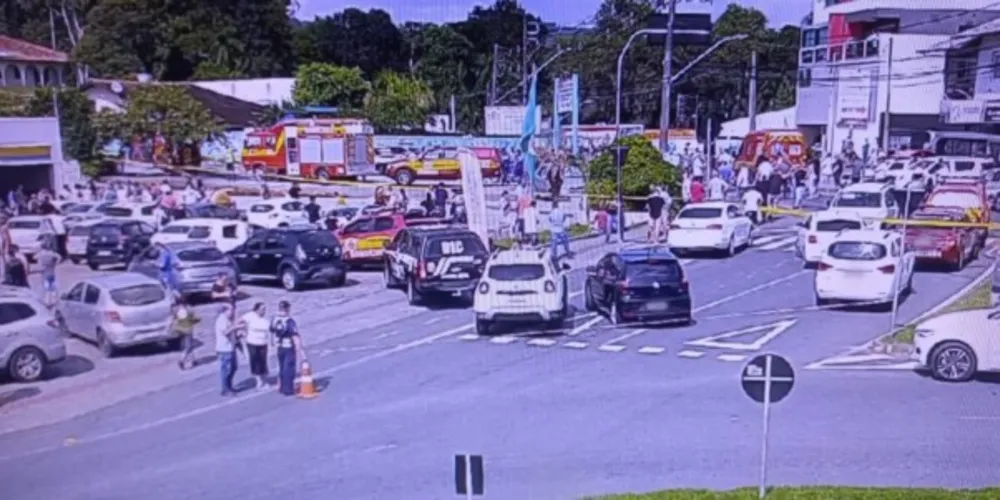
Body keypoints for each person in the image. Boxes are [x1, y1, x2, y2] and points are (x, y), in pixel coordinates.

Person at [270, 300, 305, 396]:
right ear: (287, 309)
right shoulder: (289, 321)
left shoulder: (275, 319)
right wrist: (299, 349)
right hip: (288, 346)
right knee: (288, 368)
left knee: (281, 367)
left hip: (279, 346)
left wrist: (273, 343)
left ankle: (281, 387)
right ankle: (288, 389)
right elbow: (294, 335)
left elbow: (272, 331)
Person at [241, 302, 272, 390]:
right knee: (255, 362)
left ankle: (264, 380)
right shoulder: (250, 316)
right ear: (257, 309)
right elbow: (240, 322)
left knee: (263, 362)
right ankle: (258, 381)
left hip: (263, 343)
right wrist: (242, 331)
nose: (264, 311)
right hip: (252, 343)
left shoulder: (265, 321)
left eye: (264, 310)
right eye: (262, 309)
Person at [215, 304, 242, 396]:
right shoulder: (221, 320)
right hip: (224, 349)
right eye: (231, 310)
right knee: (226, 369)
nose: (233, 312)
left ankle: (229, 385)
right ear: (225, 311)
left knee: (234, 367)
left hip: (231, 347)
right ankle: (225, 388)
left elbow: (232, 333)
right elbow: (226, 332)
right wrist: (236, 327)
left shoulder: (228, 320)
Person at [173, 296, 200, 370]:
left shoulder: (176, 310)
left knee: (189, 345)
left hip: (181, 330)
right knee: (188, 346)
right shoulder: (188, 310)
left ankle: (193, 360)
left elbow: (175, 318)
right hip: (188, 329)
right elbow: (192, 319)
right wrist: (196, 320)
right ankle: (182, 360)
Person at [37, 242, 60, 307]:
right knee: (52, 287)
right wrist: (55, 263)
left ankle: (47, 301)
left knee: (45, 287)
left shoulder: (41, 254)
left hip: (44, 272)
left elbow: (34, 258)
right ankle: (53, 301)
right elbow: (59, 257)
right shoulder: (52, 254)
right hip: (51, 272)